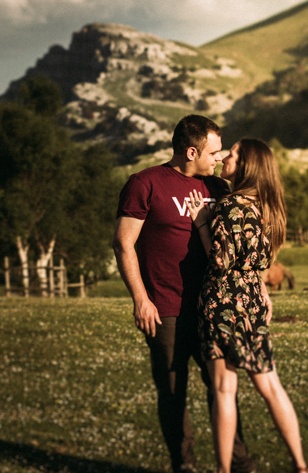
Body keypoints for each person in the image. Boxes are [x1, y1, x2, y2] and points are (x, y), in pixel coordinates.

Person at [113, 115, 258, 473]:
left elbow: (239, 246)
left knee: (223, 389)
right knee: (173, 395)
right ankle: (185, 466)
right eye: (214, 152)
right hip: (166, 312)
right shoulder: (144, 183)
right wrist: (141, 299)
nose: (220, 159)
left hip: (213, 308)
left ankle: (240, 464)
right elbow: (123, 244)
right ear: (191, 151)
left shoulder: (218, 188)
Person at [187, 138, 308, 473]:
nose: (226, 157)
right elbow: (255, 263)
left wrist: (201, 224)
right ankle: (301, 466)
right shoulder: (266, 207)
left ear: (247, 166)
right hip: (253, 300)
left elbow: (221, 261)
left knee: (225, 390)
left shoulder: (230, 205)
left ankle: (224, 471)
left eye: (234, 154)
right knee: (271, 385)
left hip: (223, 302)